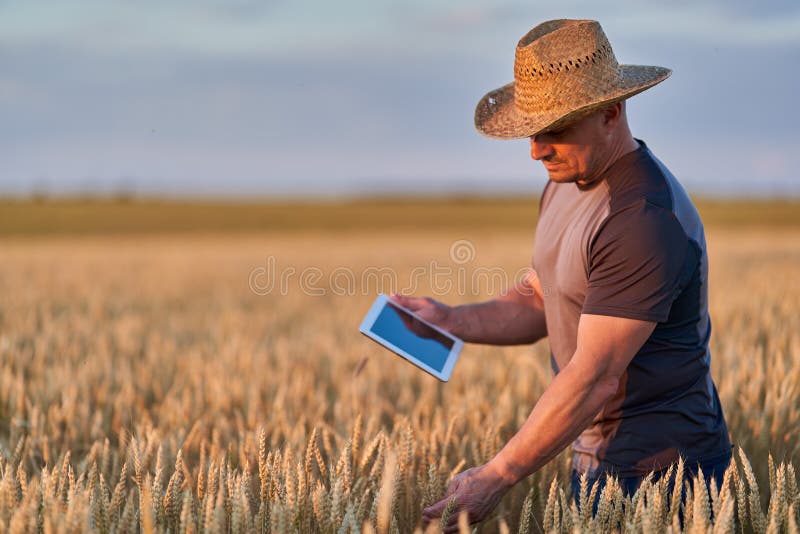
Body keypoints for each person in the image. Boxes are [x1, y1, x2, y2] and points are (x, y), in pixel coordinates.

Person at [390, 19, 732, 531]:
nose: (536, 149)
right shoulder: (567, 180)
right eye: (533, 131)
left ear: (611, 113)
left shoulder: (641, 219)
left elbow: (595, 375)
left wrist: (498, 475)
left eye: (555, 130)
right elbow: (539, 298)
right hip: (594, 460)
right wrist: (450, 320)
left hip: (663, 477)